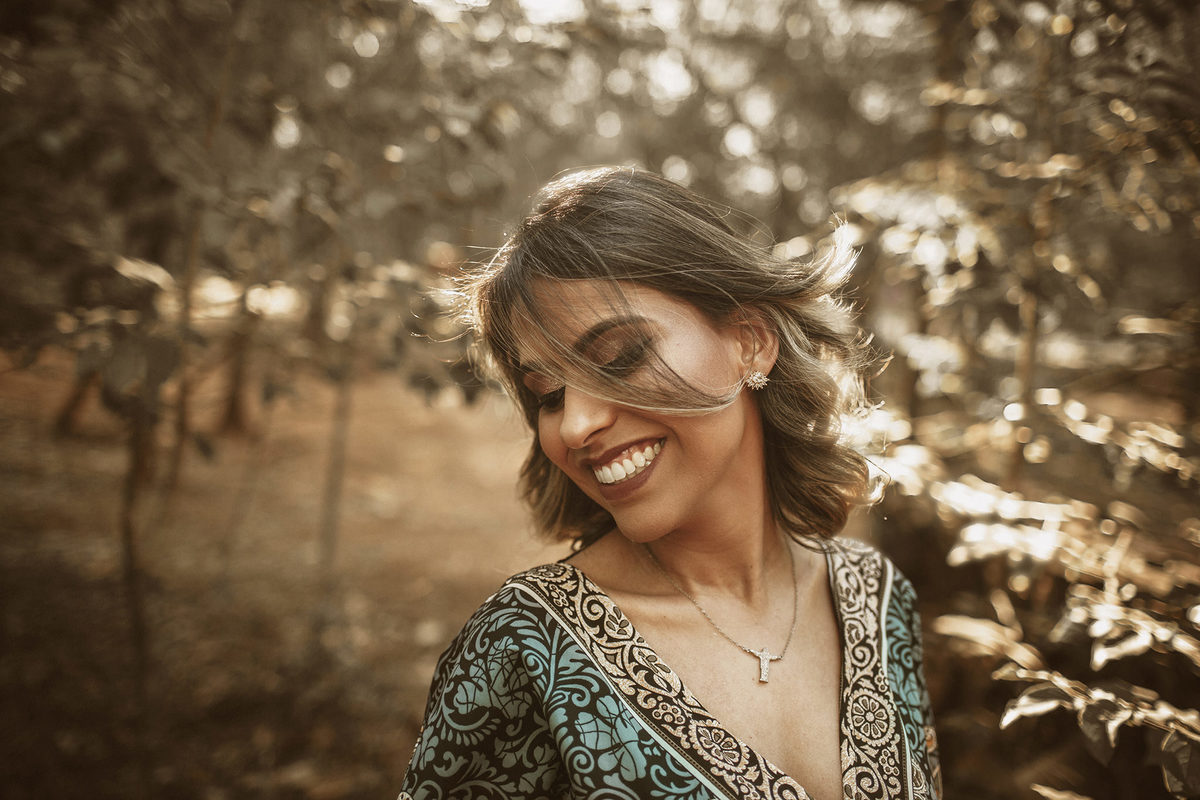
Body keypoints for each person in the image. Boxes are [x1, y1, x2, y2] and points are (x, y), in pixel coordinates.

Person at [398, 167, 941, 800]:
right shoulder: (523, 650)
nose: (574, 425)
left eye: (620, 356)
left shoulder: (878, 601)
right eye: (547, 393)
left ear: (751, 341)